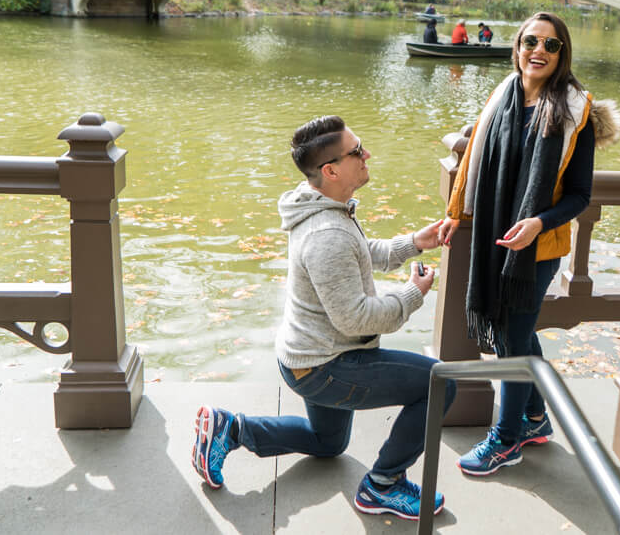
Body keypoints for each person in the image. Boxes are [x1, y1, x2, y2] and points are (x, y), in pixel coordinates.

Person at [192, 116, 457, 520]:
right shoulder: (326, 233)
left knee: (328, 442)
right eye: (357, 152)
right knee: (440, 384)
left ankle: (231, 429)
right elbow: (356, 319)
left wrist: (413, 244)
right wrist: (411, 295)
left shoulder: (324, 205)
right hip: (326, 366)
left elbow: (358, 253)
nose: (366, 155)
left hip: (305, 356)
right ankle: (383, 485)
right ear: (331, 170)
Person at [437, 12, 620, 477]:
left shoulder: (573, 112)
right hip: (495, 236)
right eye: (530, 41)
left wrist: (539, 222)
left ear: (562, 55)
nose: (538, 51)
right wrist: (454, 216)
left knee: (513, 338)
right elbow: (475, 162)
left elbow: (580, 194)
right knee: (515, 333)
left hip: (538, 246)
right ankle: (536, 417)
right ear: (517, 47)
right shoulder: (502, 96)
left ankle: (507, 438)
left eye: (551, 45)